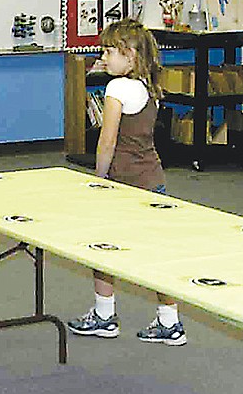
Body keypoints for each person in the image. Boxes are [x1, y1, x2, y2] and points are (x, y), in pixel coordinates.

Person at [67, 18, 186, 346]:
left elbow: (107, 142)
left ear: (131, 56)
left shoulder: (116, 88)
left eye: (109, 51)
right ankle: (170, 321)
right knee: (154, 253)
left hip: (125, 186)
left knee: (103, 248)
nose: (103, 57)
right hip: (153, 180)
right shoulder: (148, 87)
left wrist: (99, 179)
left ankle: (105, 315)